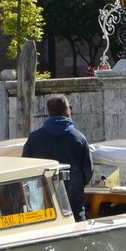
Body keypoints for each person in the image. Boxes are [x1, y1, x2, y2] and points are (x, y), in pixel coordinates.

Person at [22, 92, 94, 220]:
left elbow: (24, 170)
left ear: (49, 111)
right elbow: (88, 172)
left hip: (43, 203)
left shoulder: (34, 138)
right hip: (73, 202)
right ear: (67, 110)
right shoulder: (79, 138)